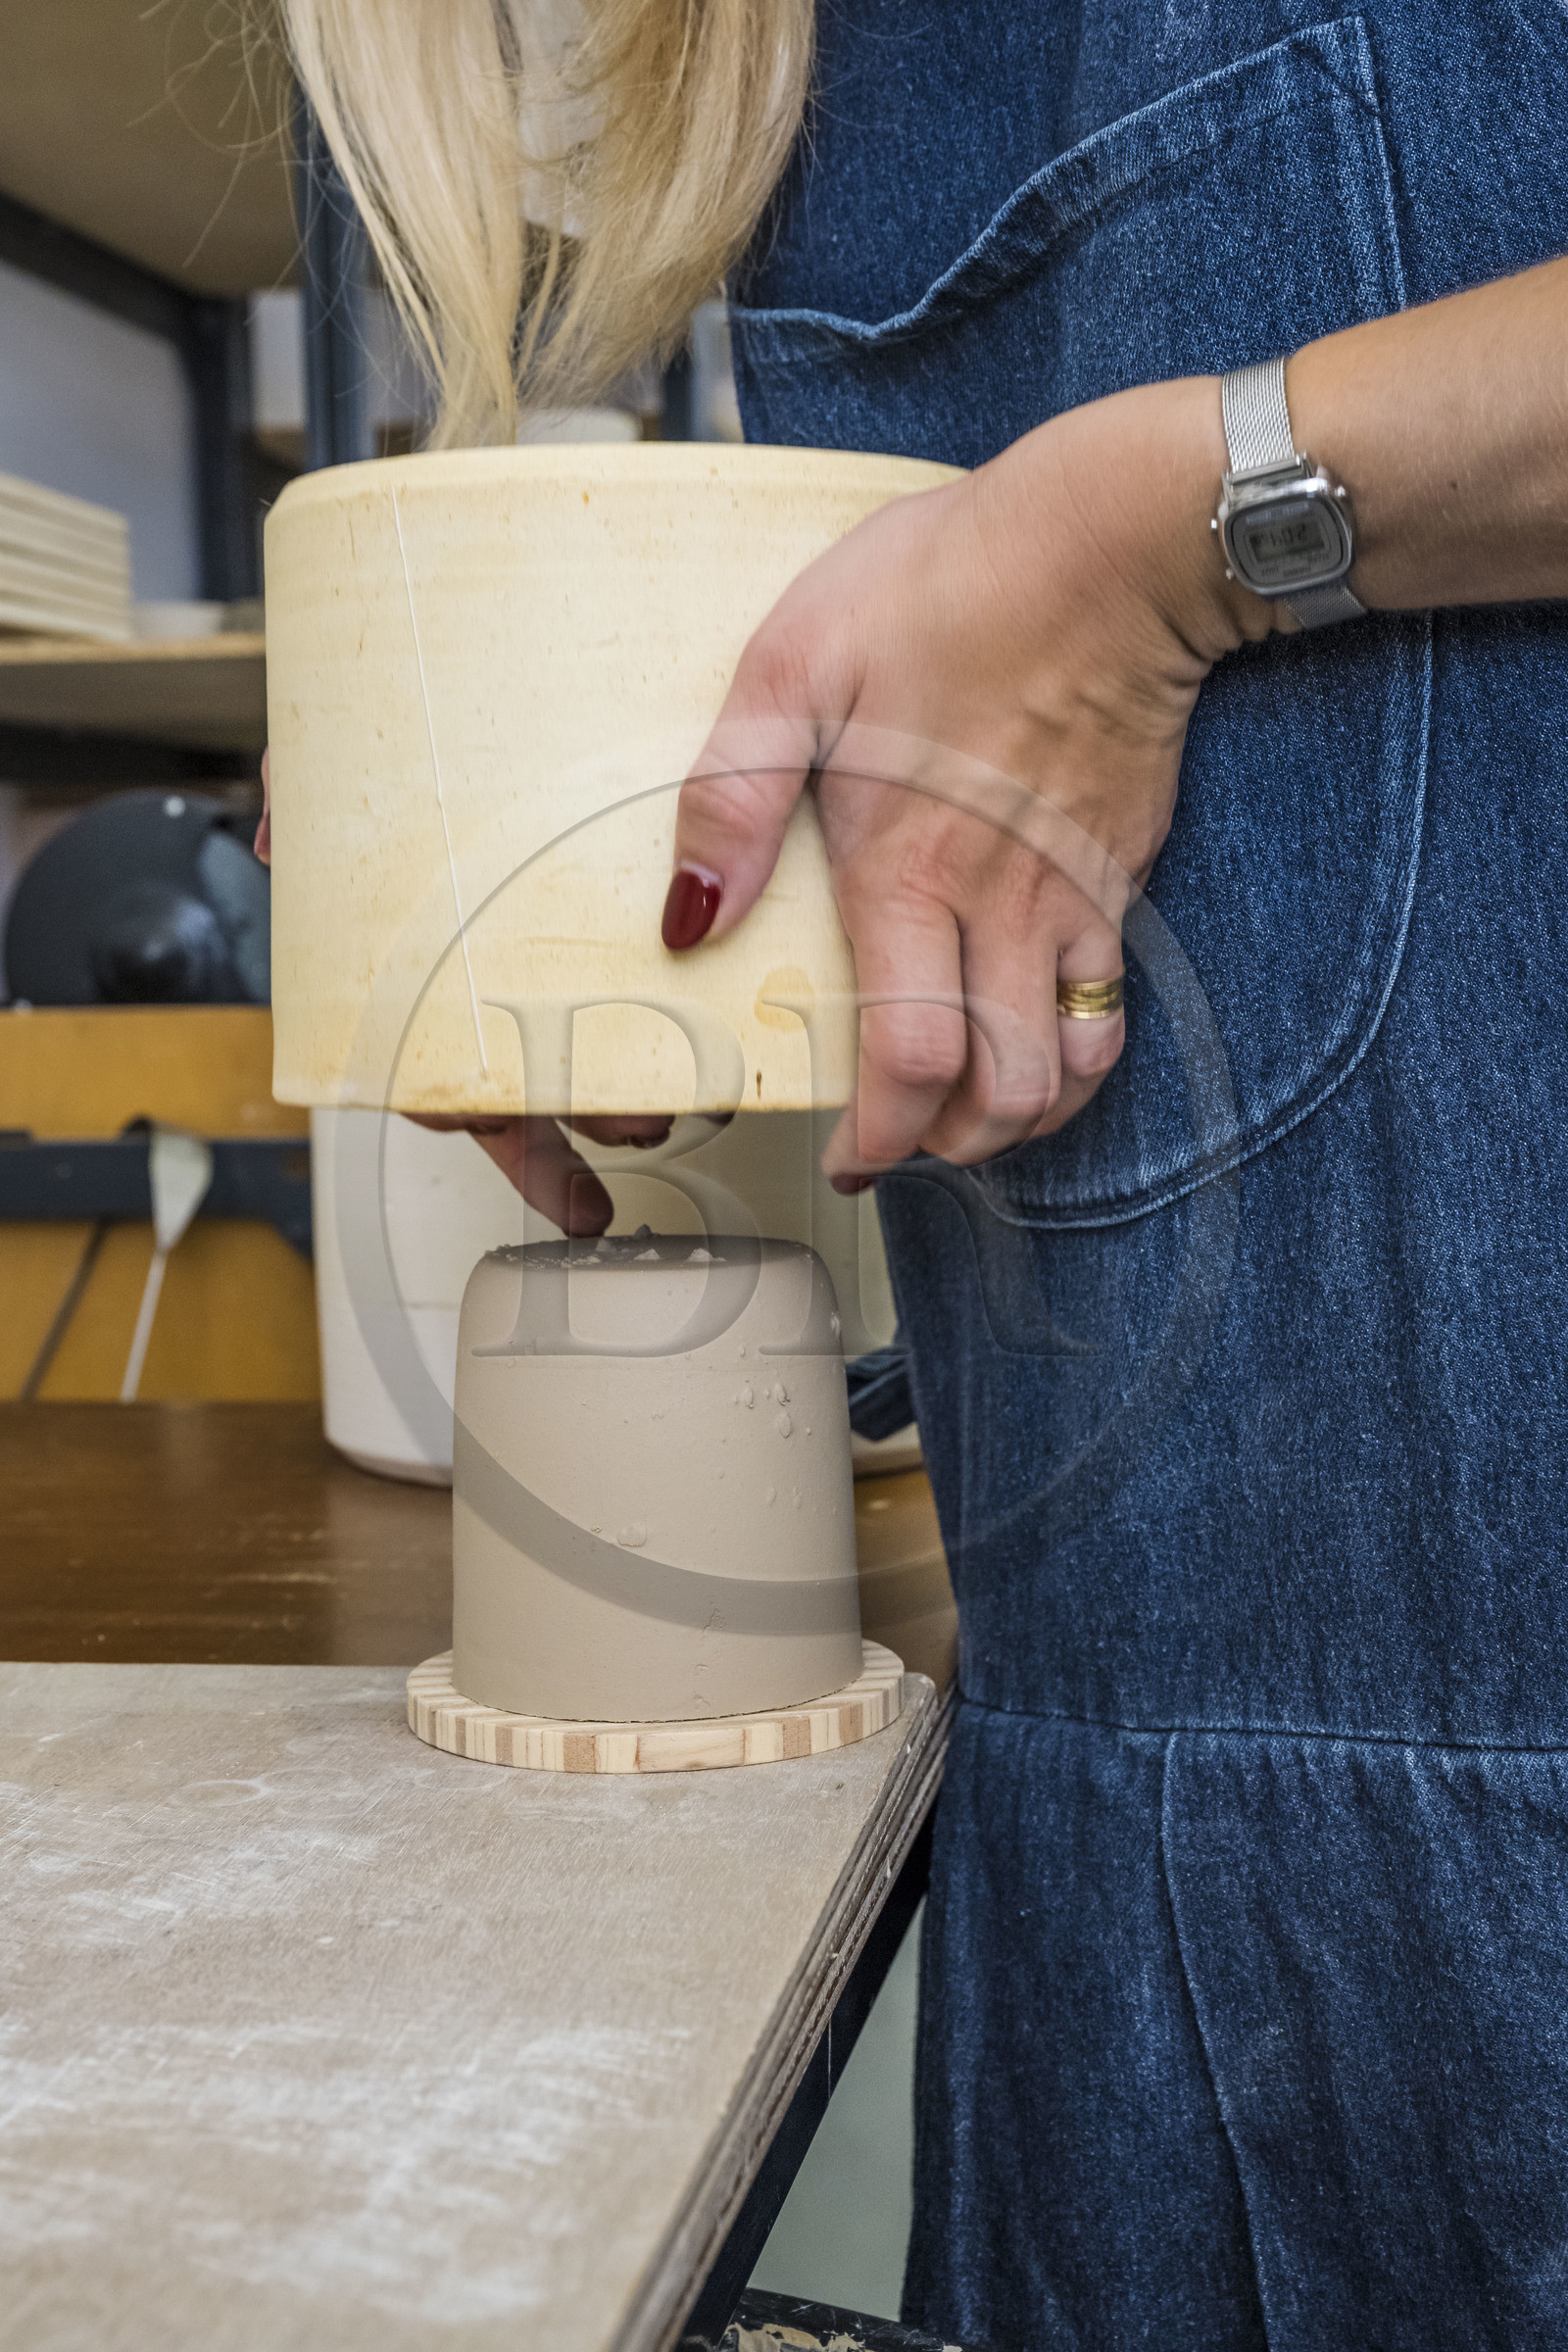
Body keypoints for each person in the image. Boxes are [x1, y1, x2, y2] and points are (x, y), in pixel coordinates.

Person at [264, 5, 1568, 2343]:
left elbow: (1077, 567)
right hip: (1121, 1801)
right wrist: (501, 794)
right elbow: (920, 621)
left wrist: (1190, 534)